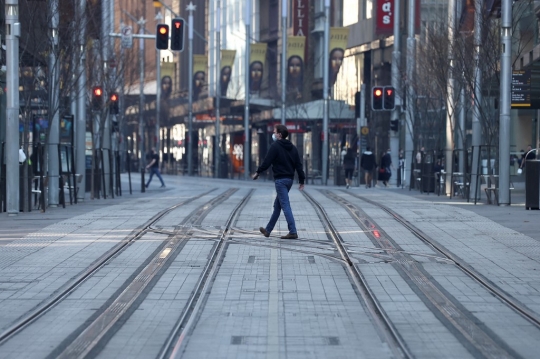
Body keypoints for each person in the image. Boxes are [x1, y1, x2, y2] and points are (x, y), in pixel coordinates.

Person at [253, 124, 305, 239]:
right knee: (278, 205)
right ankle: (268, 230)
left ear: (279, 135)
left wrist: (258, 172)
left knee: (285, 205)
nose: (274, 134)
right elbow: (298, 165)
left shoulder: (275, 146)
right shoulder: (293, 147)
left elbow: (267, 161)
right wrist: (302, 180)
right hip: (289, 180)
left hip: (280, 180)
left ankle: (293, 231)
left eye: (275, 132)